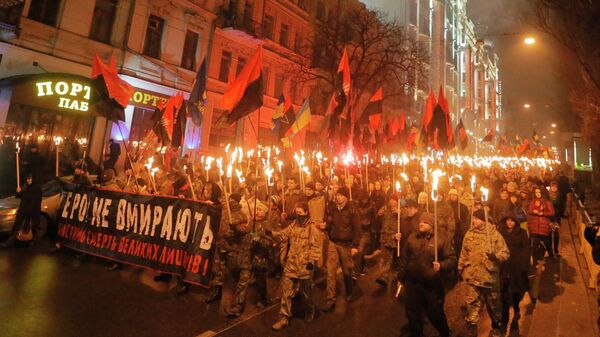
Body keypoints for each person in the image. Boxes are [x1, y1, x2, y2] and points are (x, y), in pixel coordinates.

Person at [397, 212, 456, 337]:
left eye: (425, 222)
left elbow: (451, 259)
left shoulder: (441, 239)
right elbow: (404, 258)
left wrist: (441, 265)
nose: (421, 223)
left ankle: (444, 333)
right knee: (412, 312)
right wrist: (401, 277)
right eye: (420, 221)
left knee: (434, 313)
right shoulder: (412, 237)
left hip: (431, 285)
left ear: (432, 224)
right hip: (412, 283)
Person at [269, 202, 322, 330]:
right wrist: (271, 233)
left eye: (300, 213)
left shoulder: (312, 229)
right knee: (286, 292)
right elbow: (283, 234)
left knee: (306, 293)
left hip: (305, 267)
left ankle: (310, 310)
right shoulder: (293, 225)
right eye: (296, 212)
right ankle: (284, 317)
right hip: (291, 264)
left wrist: (312, 261)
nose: (298, 215)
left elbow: (316, 247)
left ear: (306, 213)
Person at [459, 209, 510, 337]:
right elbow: (464, 253)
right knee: (472, 305)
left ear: (483, 220)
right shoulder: (469, 234)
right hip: (473, 277)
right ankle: (472, 329)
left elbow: (505, 253)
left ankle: (496, 328)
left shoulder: (494, 235)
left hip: (489, 278)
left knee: (493, 305)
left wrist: (495, 256)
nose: (473, 221)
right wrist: (460, 268)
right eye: (473, 218)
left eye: (476, 218)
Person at [323, 186, 360, 312]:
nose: (337, 196)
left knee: (347, 271)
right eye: (336, 194)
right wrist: (326, 226)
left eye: (340, 195)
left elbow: (357, 229)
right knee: (330, 271)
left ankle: (349, 292)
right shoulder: (332, 208)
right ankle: (330, 299)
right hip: (333, 242)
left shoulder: (352, 209)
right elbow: (330, 223)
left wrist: (355, 245)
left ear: (345, 197)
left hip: (346, 244)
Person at [498, 215, 530, 333]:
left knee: (516, 289)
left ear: (515, 222)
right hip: (504, 265)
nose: (509, 222)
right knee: (504, 289)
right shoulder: (500, 232)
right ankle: (504, 316)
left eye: (512, 220)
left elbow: (526, 248)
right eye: (508, 220)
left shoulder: (521, 232)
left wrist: (524, 264)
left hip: (516, 264)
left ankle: (516, 308)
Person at [1, 174, 42, 247]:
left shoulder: (37, 188)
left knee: (34, 227)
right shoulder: (25, 186)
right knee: (16, 225)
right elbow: (20, 196)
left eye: (29, 178)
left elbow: (36, 201)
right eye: (27, 179)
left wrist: (30, 210)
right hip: (23, 209)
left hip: (33, 211)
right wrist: (19, 191)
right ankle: (10, 241)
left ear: (33, 179)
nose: (28, 180)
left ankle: (35, 241)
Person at [527, 187, 555, 263]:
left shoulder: (547, 202)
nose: (537, 194)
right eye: (536, 192)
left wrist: (543, 213)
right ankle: (535, 259)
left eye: (539, 192)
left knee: (547, 243)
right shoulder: (533, 201)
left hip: (544, 226)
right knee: (535, 244)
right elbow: (529, 210)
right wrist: (534, 211)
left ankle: (551, 256)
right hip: (535, 226)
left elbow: (552, 212)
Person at [448, 188, 470, 260]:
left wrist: (463, 228)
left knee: (459, 249)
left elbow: (467, 219)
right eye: (451, 195)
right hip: (449, 231)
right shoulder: (447, 206)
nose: (453, 197)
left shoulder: (462, 207)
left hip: (459, 232)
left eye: (454, 195)